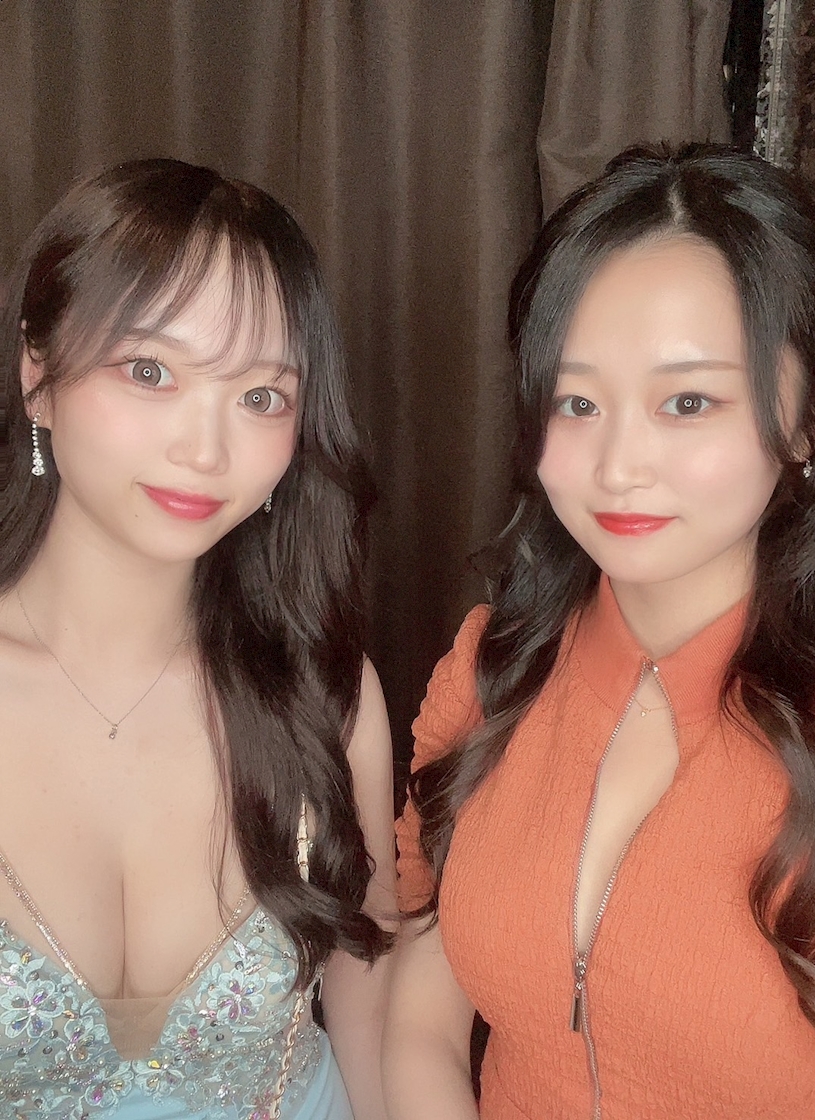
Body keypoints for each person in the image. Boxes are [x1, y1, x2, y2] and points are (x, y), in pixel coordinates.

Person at [384, 145, 815, 1119]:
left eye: (688, 402)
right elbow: (422, 1021)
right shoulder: (494, 668)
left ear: (812, 418)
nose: (619, 465)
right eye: (577, 401)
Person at [0, 158, 396, 1119]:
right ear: (37, 375)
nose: (206, 449)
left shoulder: (326, 692)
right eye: (150, 372)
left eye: (262, 396)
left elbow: (375, 1032)